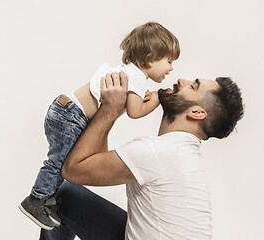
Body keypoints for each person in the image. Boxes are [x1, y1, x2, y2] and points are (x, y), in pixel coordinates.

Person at [40, 71, 244, 239]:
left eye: (193, 86)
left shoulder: (159, 152)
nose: (182, 80)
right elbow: (96, 166)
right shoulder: (178, 151)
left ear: (197, 112)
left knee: (62, 194)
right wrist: (112, 108)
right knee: (66, 193)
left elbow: (73, 170)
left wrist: (111, 108)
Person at [19, 22, 180, 230]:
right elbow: (134, 111)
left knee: (65, 160)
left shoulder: (131, 73)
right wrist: (157, 98)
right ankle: (36, 199)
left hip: (65, 110)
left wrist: (145, 98)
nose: (171, 67)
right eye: (169, 61)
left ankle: (48, 198)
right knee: (58, 162)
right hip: (71, 116)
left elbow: (132, 104)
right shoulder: (138, 78)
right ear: (150, 59)